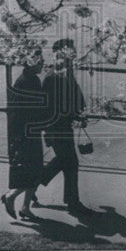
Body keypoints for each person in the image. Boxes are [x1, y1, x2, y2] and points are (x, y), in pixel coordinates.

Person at [39, 38, 92, 216]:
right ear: (62, 54)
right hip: (57, 128)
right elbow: (46, 107)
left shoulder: (65, 72)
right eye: (71, 51)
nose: (75, 54)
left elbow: (75, 95)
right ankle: (72, 202)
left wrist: (81, 114)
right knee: (70, 163)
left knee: (64, 162)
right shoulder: (53, 76)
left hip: (63, 127)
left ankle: (30, 183)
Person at [1, 49, 47, 221]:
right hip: (27, 133)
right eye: (40, 62)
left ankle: (25, 206)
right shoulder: (28, 82)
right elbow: (27, 110)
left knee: (34, 169)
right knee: (33, 170)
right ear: (31, 63)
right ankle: (11, 197)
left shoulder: (28, 79)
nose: (42, 64)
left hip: (28, 131)